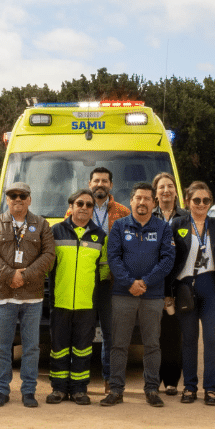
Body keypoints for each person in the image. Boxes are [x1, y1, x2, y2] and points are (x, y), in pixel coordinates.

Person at [0, 182, 55, 408]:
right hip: (4, 296)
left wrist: (25, 275)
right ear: (7, 199)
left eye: (23, 195)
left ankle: (29, 391)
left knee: (31, 347)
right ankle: (1, 389)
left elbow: (49, 254)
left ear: (30, 199)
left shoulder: (41, 224)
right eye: (13, 195)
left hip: (32, 296)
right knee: (2, 346)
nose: (18, 199)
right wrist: (10, 275)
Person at [103, 182, 175, 407]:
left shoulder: (163, 228)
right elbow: (113, 258)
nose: (142, 202)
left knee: (152, 344)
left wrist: (145, 282)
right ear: (131, 201)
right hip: (123, 294)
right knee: (119, 344)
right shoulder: (119, 226)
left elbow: (167, 260)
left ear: (153, 203)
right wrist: (129, 283)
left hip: (152, 296)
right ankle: (116, 390)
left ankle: (152, 389)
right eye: (138, 198)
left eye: (147, 198)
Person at [168, 182, 215, 406]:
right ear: (188, 202)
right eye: (197, 200)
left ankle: (211, 388)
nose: (201, 204)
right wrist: (169, 291)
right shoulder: (178, 223)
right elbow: (169, 259)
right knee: (188, 339)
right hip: (185, 287)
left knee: (211, 339)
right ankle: (189, 386)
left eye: (206, 200)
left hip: (212, 287)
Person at [47, 189, 106, 405]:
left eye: (89, 205)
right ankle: (59, 389)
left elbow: (105, 272)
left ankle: (80, 389)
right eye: (79, 203)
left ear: (93, 209)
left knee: (83, 349)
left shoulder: (100, 236)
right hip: (60, 301)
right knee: (59, 347)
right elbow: (47, 267)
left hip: (86, 304)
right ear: (71, 206)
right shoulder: (55, 232)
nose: (83, 208)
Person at [86, 167, 129, 394]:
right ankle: (79, 381)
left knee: (110, 334)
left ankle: (110, 380)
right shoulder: (78, 208)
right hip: (83, 280)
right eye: (96, 181)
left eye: (104, 181)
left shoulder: (123, 212)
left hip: (111, 282)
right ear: (89, 183)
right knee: (83, 331)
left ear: (111, 185)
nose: (100, 184)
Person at [152, 171, 186, 397]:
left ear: (176, 191)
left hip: (177, 286)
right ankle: (152, 380)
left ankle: (172, 381)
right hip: (153, 285)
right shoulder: (147, 217)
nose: (166, 190)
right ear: (155, 194)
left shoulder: (187, 217)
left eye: (170, 186)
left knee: (174, 335)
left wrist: (171, 287)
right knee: (152, 335)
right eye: (162, 187)